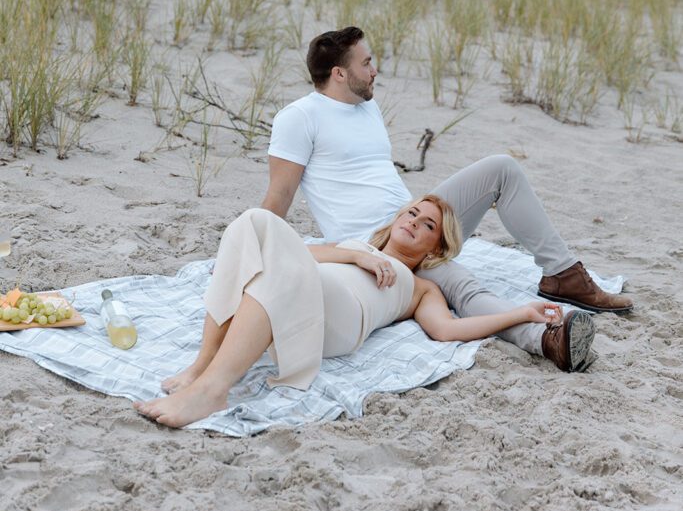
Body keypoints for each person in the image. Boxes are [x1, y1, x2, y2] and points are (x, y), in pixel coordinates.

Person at [262, 27, 632, 371]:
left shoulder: (366, 106)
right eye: (366, 63)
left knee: (501, 168)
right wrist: (256, 246)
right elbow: (280, 193)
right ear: (339, 74)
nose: (375, 70)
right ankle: (544, 338)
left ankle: (564, 275)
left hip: (414, 214)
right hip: (381, 241)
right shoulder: (299, 118)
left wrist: (423, 215)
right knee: (458, 284)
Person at [135, 196, 589, 428]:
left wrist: (520, 314)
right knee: (253, 224)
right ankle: (201, 367)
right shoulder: (352, 249)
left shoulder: (421, 287)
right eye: (411, 213)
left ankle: (213, 386)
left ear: (437, 246)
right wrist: (357, 257)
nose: (413, 221)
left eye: (427, 224)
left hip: (337, 320)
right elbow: (300, 254)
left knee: (274, 257)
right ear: (395, 219)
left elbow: (450, 331)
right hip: (293, 294)